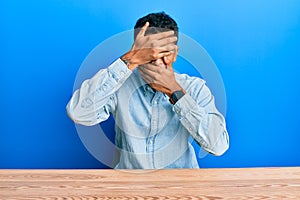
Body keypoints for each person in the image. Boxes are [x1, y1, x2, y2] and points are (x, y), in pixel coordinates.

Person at [66, 12, 229, 169]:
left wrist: (175, 92)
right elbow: (78, 113)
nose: (158, 62)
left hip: (180, 186)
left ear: (175, 54)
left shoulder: (195, 87)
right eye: (149, 54)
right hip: (131, 187)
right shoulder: (119, 86)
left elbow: (218, 146)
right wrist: (129, 60)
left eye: (165, 53)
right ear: (137, 51)